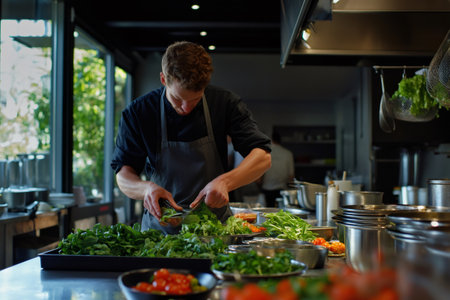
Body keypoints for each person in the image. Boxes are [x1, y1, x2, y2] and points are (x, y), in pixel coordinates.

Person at [111, 41, 271, 234]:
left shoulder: (224, 103)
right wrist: (145, 189)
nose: (186, 108)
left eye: (195, 100)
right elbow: (123, 175)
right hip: (159, 233)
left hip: (214, 231)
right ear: (163, 79)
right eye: (178, 99)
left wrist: (226, 182)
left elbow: (262, 157)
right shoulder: (138, 113)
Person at [260, 131, 294, 207]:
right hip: (281, 190)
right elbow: (291, 176)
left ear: (271, 140)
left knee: (267, 213)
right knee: (280, 212)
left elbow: (259, 176)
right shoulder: (288, 153)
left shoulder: (265, 152)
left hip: (267, 189)